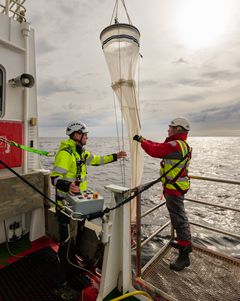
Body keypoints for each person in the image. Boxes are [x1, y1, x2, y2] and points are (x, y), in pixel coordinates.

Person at [50, 121, 127, 299]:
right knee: (66, 243)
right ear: (76, 135)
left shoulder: (82, 153)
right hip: (66, 207)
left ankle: (71, 271)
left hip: (79, 206)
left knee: (77, 239)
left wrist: (116, 156)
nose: (87, 137)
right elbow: (54, 178)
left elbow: (98, 161)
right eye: (85, 134)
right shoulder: (65, 154)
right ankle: (59, 284)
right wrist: (67, 185)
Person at [133, 117, 192, 271]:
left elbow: (155, 150)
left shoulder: (175, 145)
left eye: (171, 127)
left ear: (178, 129)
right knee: (180, 217)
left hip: (174, 188)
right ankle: (186, 245)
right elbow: (159, 146)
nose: (168, 129)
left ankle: (184, 256)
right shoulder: (179, 144)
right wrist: (143, 139)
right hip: (177, 186)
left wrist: (142, 143)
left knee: (179, 220)